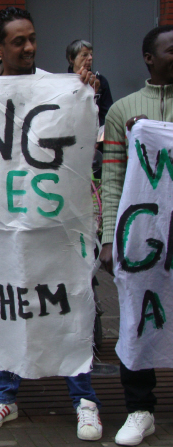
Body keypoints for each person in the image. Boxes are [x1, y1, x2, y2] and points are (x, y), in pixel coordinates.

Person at [0, 7, 103, 442]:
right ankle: (4, 395)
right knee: (1, 306)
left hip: (52, 226)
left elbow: (85, 141)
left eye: (32, 39)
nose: (29, 47)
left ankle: (84, 400)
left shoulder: (60, 89)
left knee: (67, 306)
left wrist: (86, 94)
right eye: (18, 41)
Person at [99, 25, 173, 446]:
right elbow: (111, 179)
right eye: (171, 49)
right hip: (142, 237)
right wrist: (110, 238)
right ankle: (139, 408)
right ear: (149, 57)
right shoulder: (122, 111)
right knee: (135, 318)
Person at [66, 39, 113, 126]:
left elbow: (107, 114)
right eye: (84, 55)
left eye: (91, 55)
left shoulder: (100, 81)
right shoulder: (63, 82)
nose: (90, 58)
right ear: (72, 59)